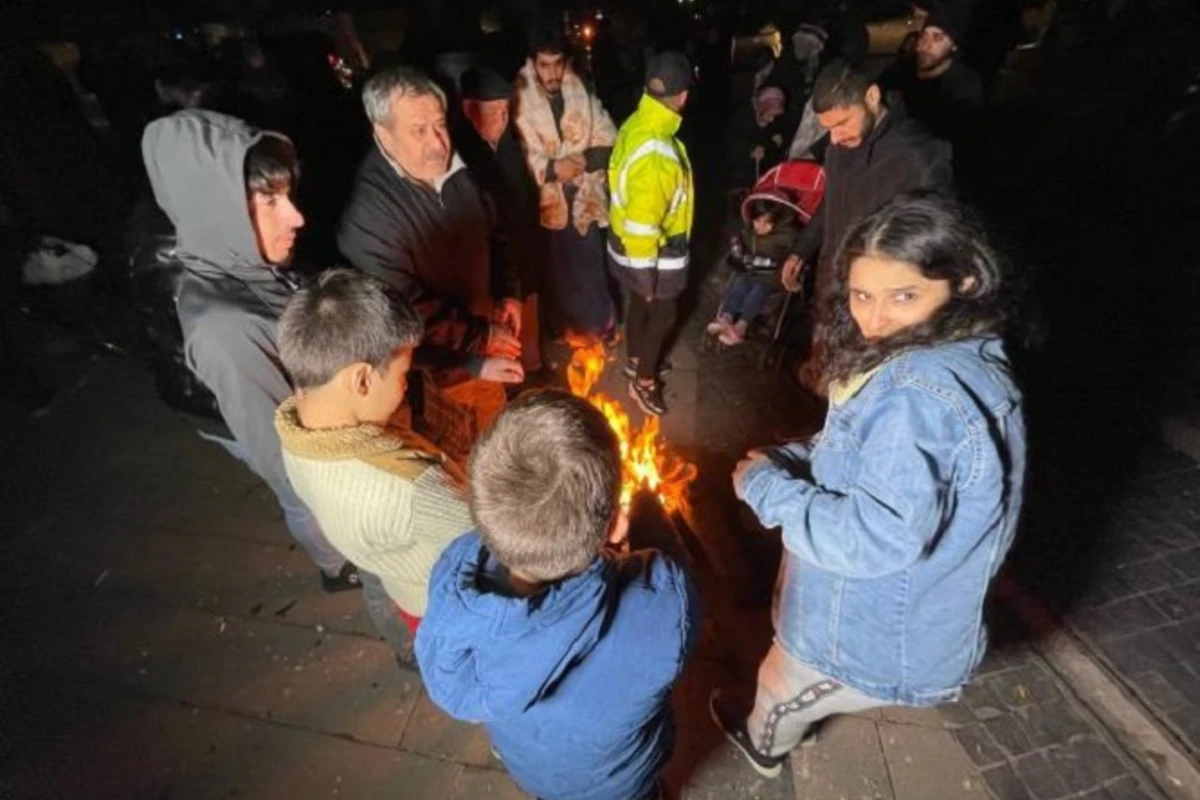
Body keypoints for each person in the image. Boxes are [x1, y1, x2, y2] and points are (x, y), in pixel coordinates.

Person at [710, 193, 1025, 777]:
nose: (874, 319)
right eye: (861, 295)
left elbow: (873, 540)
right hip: (899, 612)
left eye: (904, 296)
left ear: (964, 280)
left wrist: (765, 488)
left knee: (779, 686)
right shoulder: (961, 356)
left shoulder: (918, 394)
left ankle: (763, 746)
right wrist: (793, 457)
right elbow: (871, 456)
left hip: (867, 629)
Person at [416, 389, 700, 800]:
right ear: (617, 527)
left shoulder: (454, 574)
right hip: (617, 783)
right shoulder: (659, 604)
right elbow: (669, 583)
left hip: (529, 764)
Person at [141, 110, 357, 591]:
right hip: (259, 429)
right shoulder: (224, 327)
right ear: (216, 207)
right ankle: (336, 567)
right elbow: (285, 461)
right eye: (268, 201)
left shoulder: (248, 262)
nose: (296, 217)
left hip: (281, 407)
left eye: (288, 195)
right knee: (300, 499)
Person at [274, 269, 474, 662]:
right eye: (402, 374)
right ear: (362, 380)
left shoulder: (294, 430)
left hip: (402, 585)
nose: (405, 386)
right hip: (446, 601)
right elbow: (490, 545)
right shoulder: (410, 487)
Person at [338, 67, 524, 460]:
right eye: (418, 130)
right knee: (462, 460)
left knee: (496, 442)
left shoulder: (459, 163)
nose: (438, 143)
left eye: (440, 125)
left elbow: (495, 228)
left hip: (481, 337)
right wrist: (476, 353)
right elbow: (408, 315)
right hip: (436, 369)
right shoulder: (369, 218)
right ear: (383, 134)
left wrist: (510, 292)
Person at [780, 58, 952, 388]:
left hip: (877, 310)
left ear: (872, 97)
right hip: (831, 291)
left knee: (865, 390)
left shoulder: (919, 157)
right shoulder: (838, 148)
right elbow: (831, 200)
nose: (834, 137)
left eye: (842, 123)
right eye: (828, 128)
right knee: (827, 380)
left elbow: (932, 250)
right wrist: (801, 250)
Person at [513, 27, 618, 343]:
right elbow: (517, 153)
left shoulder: (580, 92)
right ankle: (562, 327)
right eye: (544, 65)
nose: (552, 72)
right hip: (545, 202)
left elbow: (609, 138)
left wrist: (584, 160)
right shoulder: (519, 99)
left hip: (583, 196)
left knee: (588, 266)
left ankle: (598, 325)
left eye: (558, 63)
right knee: (557, 270)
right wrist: (550, 168)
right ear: (533, 65)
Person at [607, 51, 696, 417]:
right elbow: (646, 224)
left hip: (624, 242)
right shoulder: (659, 154)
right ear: (683, 96)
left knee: (641, 307)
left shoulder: (637, 122)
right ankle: (643, 381)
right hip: (654, 251)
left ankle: (635, 359)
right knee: (663, 314)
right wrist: (647, 278)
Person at [459, 65, 543, 373]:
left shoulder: (507, 145)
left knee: (526, 334)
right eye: (493, 112)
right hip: (493, 272)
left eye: (506, 111)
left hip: (522, 256)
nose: (503, 119)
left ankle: (531, 372)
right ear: (469, 109)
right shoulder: (464, 157)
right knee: (502, 340)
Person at [879, 1, 984, 147]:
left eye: (938, 38)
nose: (926, 44)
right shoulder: (902, 70)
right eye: (924, 35)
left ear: (954, 45)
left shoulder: (963, 87)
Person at [708, 198, 798, 346]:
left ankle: (741, 326)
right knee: (738, 285)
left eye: (766, 223)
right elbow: (741, 251)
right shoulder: (749, 232)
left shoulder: (787, 237)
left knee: (757, 291)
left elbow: (793, 256)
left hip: (772, 278)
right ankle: (726, 317)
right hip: (751, 271)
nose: (760, 226)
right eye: (757, 221)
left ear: (776, 222)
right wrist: (738, 249)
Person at [723, 86, 790, 192]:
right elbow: (730, 143)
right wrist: (751, 149)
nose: (772, 119)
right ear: (762, 108)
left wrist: (775, 141)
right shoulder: (741, 116)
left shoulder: (767, 117)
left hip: (759, 173)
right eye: (770, 115)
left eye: (774, 116)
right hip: (738, 174)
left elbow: (769, 140)